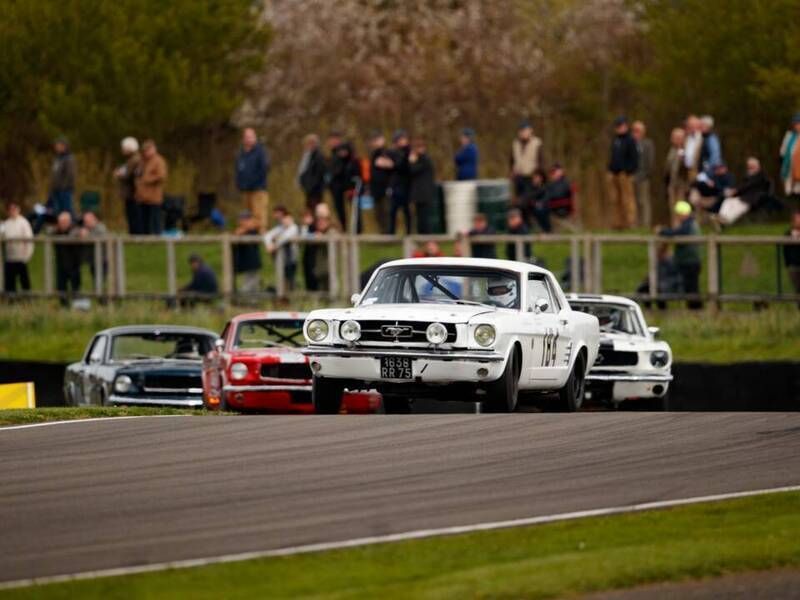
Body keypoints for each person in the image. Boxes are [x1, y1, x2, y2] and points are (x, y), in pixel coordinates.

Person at [657, 200, 702, 309]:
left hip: (689, 262)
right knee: (690, 287)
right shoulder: (690, 224)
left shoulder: (688, 225)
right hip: (688, 261)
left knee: (691, 287)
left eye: (678, 214)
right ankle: (694, 308)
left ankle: (696, 309)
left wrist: (663, 231)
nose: (678, 217)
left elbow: (679, 233)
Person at [716, 157, 772, 226]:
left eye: (751, 166)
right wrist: (733, 192)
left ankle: (727, 221)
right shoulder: (748, 176)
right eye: (749, 166)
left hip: (753, 200)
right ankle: (721, 218)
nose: (750, 168)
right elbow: (742, 186)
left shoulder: (761, 176)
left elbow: (748, 185)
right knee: (728, 201)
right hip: (742, 197)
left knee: (739, 206)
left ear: (757, 166)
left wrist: (735, 191)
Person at [235, 128, 270, 233]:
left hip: (258, 190)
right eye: (246, 137)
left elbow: (264, 169)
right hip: (245, 190)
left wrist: (254, 183)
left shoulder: (260, 152)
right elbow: (238, 171)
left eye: (251, 137)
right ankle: (248, 239)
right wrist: (240, 184)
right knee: (246, 217)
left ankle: (262, 238)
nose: (248, 139)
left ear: (255, 138)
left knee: (259, 217)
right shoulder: (241, 153)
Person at [606, 116, 638, 229]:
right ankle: (617, 223)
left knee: (627, 199)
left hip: (625, 174)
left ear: (626, 126)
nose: (619, 128)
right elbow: (612, 157)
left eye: (621, 126)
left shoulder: (630, 140)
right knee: (615, 199)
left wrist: (628, 171)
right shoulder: (616, 140)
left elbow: (634, 158)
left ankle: (630, 222)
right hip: (614, 174)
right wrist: (610, 170)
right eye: (617, 126)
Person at [635, 243, 683, 310]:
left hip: (669, 285)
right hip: (659, 284)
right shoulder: (658, 262)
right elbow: (652, 274)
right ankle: (647, 309)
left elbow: (674, 278)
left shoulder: (672, 261)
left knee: (658, 289)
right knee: (643, 288)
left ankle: (662, 310)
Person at [327, 133, 360, 231]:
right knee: (339, 210)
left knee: (354, 208)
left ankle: (357, 229)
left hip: (347, 185)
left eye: (334, 139)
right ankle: (343, 229)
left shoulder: (347, 150)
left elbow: (346, 168)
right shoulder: (332, 153)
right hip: (335, 187)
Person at [134, 139, 168, 235]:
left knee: (155, 220)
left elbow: (162, 176)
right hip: (142, 197)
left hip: (154, 197)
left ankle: (157, 238)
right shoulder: (142, 161)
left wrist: (147, 179)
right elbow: (138, 174)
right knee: (144, 220)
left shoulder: (159, 161)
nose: (146, 152)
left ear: (153, 149)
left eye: (148, 150)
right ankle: (145, 239)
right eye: (144, 151)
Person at [263, 205, 300, 292]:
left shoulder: (294, 227)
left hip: (291, 259)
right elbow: (267, 235)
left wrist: (274, 245)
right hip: (281, 259)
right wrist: (269, 245)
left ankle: (289, 297)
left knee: (290, 279)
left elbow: (285, 237)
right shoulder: (280, 227)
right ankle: (282, 298)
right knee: (281, 278)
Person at [1, 201, 33, 294]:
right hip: (10, 258)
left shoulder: (24, 223)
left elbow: (29, 240)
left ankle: (27, 298)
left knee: (24, 280)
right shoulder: (6, 224)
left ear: (18, 209)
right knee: (10, 281)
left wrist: (27, 255)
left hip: (21, 257)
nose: (12, 211)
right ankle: (10, 300)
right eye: (10, 209)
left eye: (14, 209)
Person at [304, 203, 337, 293]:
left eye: (324, 219)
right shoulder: (314, 231)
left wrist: (321, 237)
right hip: (317, 273)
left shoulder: (332, 231)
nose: (320, 222)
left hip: (329, 273)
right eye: (318, 219)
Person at [408, 137, 437, 234]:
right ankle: (422, 236)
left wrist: (412, 162)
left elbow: (413, 171)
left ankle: (427, 236)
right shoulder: (422, 159)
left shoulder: (424, 160)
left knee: (424, 218)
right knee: (420, 217)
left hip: (424, 194)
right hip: (420, 194)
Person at [53, 211, 82, 307]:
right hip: (61, 265)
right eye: (61, 222)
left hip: (74, 264)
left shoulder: (75, 231)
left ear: (69, 222)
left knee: (75, 288)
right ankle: (64, 307)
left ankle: (77, 307)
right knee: (61, 287)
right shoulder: (56, 232)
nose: (63, 224)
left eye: (65, 222)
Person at [510, 120, 543, 200]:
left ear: (531, 130)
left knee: (528, 201)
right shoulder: (515, 143)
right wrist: (512, 171)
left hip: (531, 177)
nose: (523, 133)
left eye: (525, 130)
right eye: (521, 130)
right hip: (519, 177)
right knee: (519, 199)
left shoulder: (537, 143)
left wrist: (538, 175)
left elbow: (541, 161)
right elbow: (512, 160)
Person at [114, 137, 142, 234]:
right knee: (131, 215)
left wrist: (119, 174)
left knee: (134, 216)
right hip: (130, 193)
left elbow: (129, 174)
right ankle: (133, 233)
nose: (122, 150)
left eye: (124, 148)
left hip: (132, 193)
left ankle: (135, 235)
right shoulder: (131, 160)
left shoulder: (135, 160)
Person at [368, 132, 394, 233]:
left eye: (377, 140)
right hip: (375, 189)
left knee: (386, 212)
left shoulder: (386, 152)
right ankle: (382, 233)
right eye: (374, 140)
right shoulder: (373, 154)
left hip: (385, 188)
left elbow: (391, 165)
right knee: (378, 213)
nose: (375, 142)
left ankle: (388, 234)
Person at [232, 211, 262, 294]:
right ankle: (249, 300)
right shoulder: (241, 230)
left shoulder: (254, 230)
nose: (241, 221)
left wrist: (247, 228)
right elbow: (235, 237)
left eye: (243, 219)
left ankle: (244, 297)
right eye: (241, 219)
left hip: (253, 261)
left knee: (251, 283)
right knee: (249, 282)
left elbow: (258, 230)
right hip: (245, 262)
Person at [632, 120, 655, 227]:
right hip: (631, 177)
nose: (635, 133)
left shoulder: (648, 144)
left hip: (643, 178)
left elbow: (650, 163)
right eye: (634, 130)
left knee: (643, 202)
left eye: (637, 131)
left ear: (643, 132)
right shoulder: (631, 144)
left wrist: (643, 176)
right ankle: (635, 224)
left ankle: (645, 224)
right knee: (634, 202)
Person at [388, 130, 412, 235]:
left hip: (407, 185)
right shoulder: (393, 152)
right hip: (396, 185)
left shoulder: (409, 151)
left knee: (407, 211)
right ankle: (391, 233)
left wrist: (394, 164)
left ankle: (409, 232)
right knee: (393, 210)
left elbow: (402, 166)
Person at [297, 133, 326, 211]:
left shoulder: (319, 157)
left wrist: (311, 186)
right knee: (309, 209)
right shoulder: (308, 156)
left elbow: (319, 174)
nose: (306, 146)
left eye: (308, 144)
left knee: (316, 210)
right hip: (309, 190)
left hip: (315, 190)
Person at [49, 137, 77, 217]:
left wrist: (63, 187)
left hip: (65, 190)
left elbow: (70, 175)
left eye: (58, 145)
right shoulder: (58, 158)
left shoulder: (69, 158)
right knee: (58, 211)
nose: (56, 147)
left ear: (64, 146)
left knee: (67, 211)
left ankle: (72, 226)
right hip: (56, 190)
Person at [78, 211, 108, 282]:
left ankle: (101, 292)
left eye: (88, 221)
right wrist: (80, 233)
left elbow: (101, 236)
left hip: (102, 259)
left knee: (100, 279)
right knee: (95, 278)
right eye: (85, 221)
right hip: (92, 259)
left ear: (95, 219)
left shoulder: (101, 227)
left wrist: (87, 235)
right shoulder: (84, 228)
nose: (86, 223)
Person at [664, 127, 688, 213]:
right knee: (672, 206)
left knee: (681, 206)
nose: (675, 140)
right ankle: (675, 225)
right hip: (671, 182)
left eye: (678, 138)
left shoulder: (686, 150)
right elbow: (667, 168)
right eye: (674, 137)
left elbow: (686, 169)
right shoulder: (672, 150)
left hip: (681, 183)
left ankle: (681, 225)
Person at [779, 113, 800, 206]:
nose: (796, 126)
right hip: (790, 170)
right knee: (792, 194)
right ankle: (795, 216)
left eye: (798, 123)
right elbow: (782, 153)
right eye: (795, 123)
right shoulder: (789, 136)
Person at [523, 168, 550, 232]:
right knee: (522, 208)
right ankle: (527, 229)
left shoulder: (545, 186)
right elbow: (527, 196)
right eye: (534, 177)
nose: (535, 179)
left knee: (539, 209)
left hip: (543, 206)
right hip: (531, 206)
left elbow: (547, 197)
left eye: (537, 177)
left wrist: (539, 203)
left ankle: (546, 229)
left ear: (541, 178)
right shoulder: (530, 186)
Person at [698, 115, 723, 180]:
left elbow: (715, 156)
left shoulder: (712, 138)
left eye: (702, 125)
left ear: (708, 126)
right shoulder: (702, 137)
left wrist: (707, 171)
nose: (700, 127)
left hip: (709, 173)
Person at [783, 212, 800, 308]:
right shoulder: (788, 235)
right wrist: (788, 264)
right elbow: (786, 251)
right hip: (793, 266)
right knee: (797, 288)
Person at [683, 114, 703, 182]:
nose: (691, 127)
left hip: (698, 171)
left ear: (698, 125)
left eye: (694, 124)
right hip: (686, 171)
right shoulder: (686, 138)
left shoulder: (703, 138)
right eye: (690, 125)